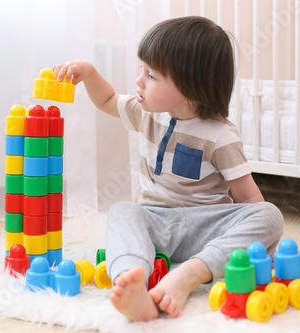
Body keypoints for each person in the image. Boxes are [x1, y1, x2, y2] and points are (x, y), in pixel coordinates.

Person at [53, 16, 284, 322]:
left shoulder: (221, 136)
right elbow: (108, 100)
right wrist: (90, 73)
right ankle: (132, 278)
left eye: (151, 75)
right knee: (122, 211)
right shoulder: (145, 113)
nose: (138, 81)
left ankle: (191, 273)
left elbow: (248, 198)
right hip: (156, 224)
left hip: (208, 227)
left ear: (189, 92)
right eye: (142, 70)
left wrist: (261, 243)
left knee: (269, 214)